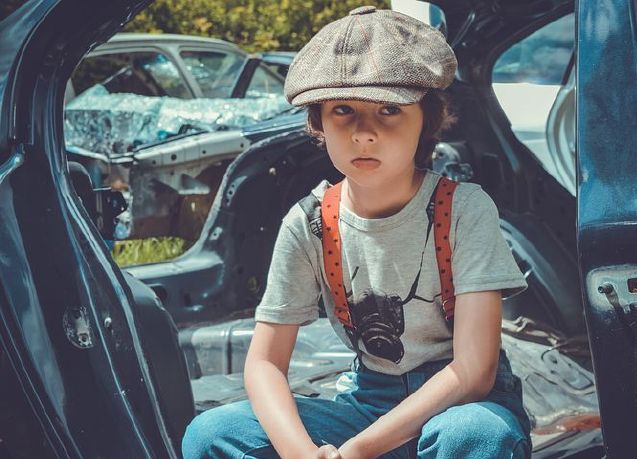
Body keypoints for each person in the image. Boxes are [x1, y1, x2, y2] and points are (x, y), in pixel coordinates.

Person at [182, 6, 531, 459]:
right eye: (343, 110)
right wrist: (301, 452)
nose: (364, 133)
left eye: (389, 109)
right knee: (212, 433)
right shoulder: (309, 223)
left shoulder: (464, 209)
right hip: (367, 401)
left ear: (427, 118)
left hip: (458, 404)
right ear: (318, 123)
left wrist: (358, 451)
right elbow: (265, 363)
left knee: (476, 435)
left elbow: (474, 371)